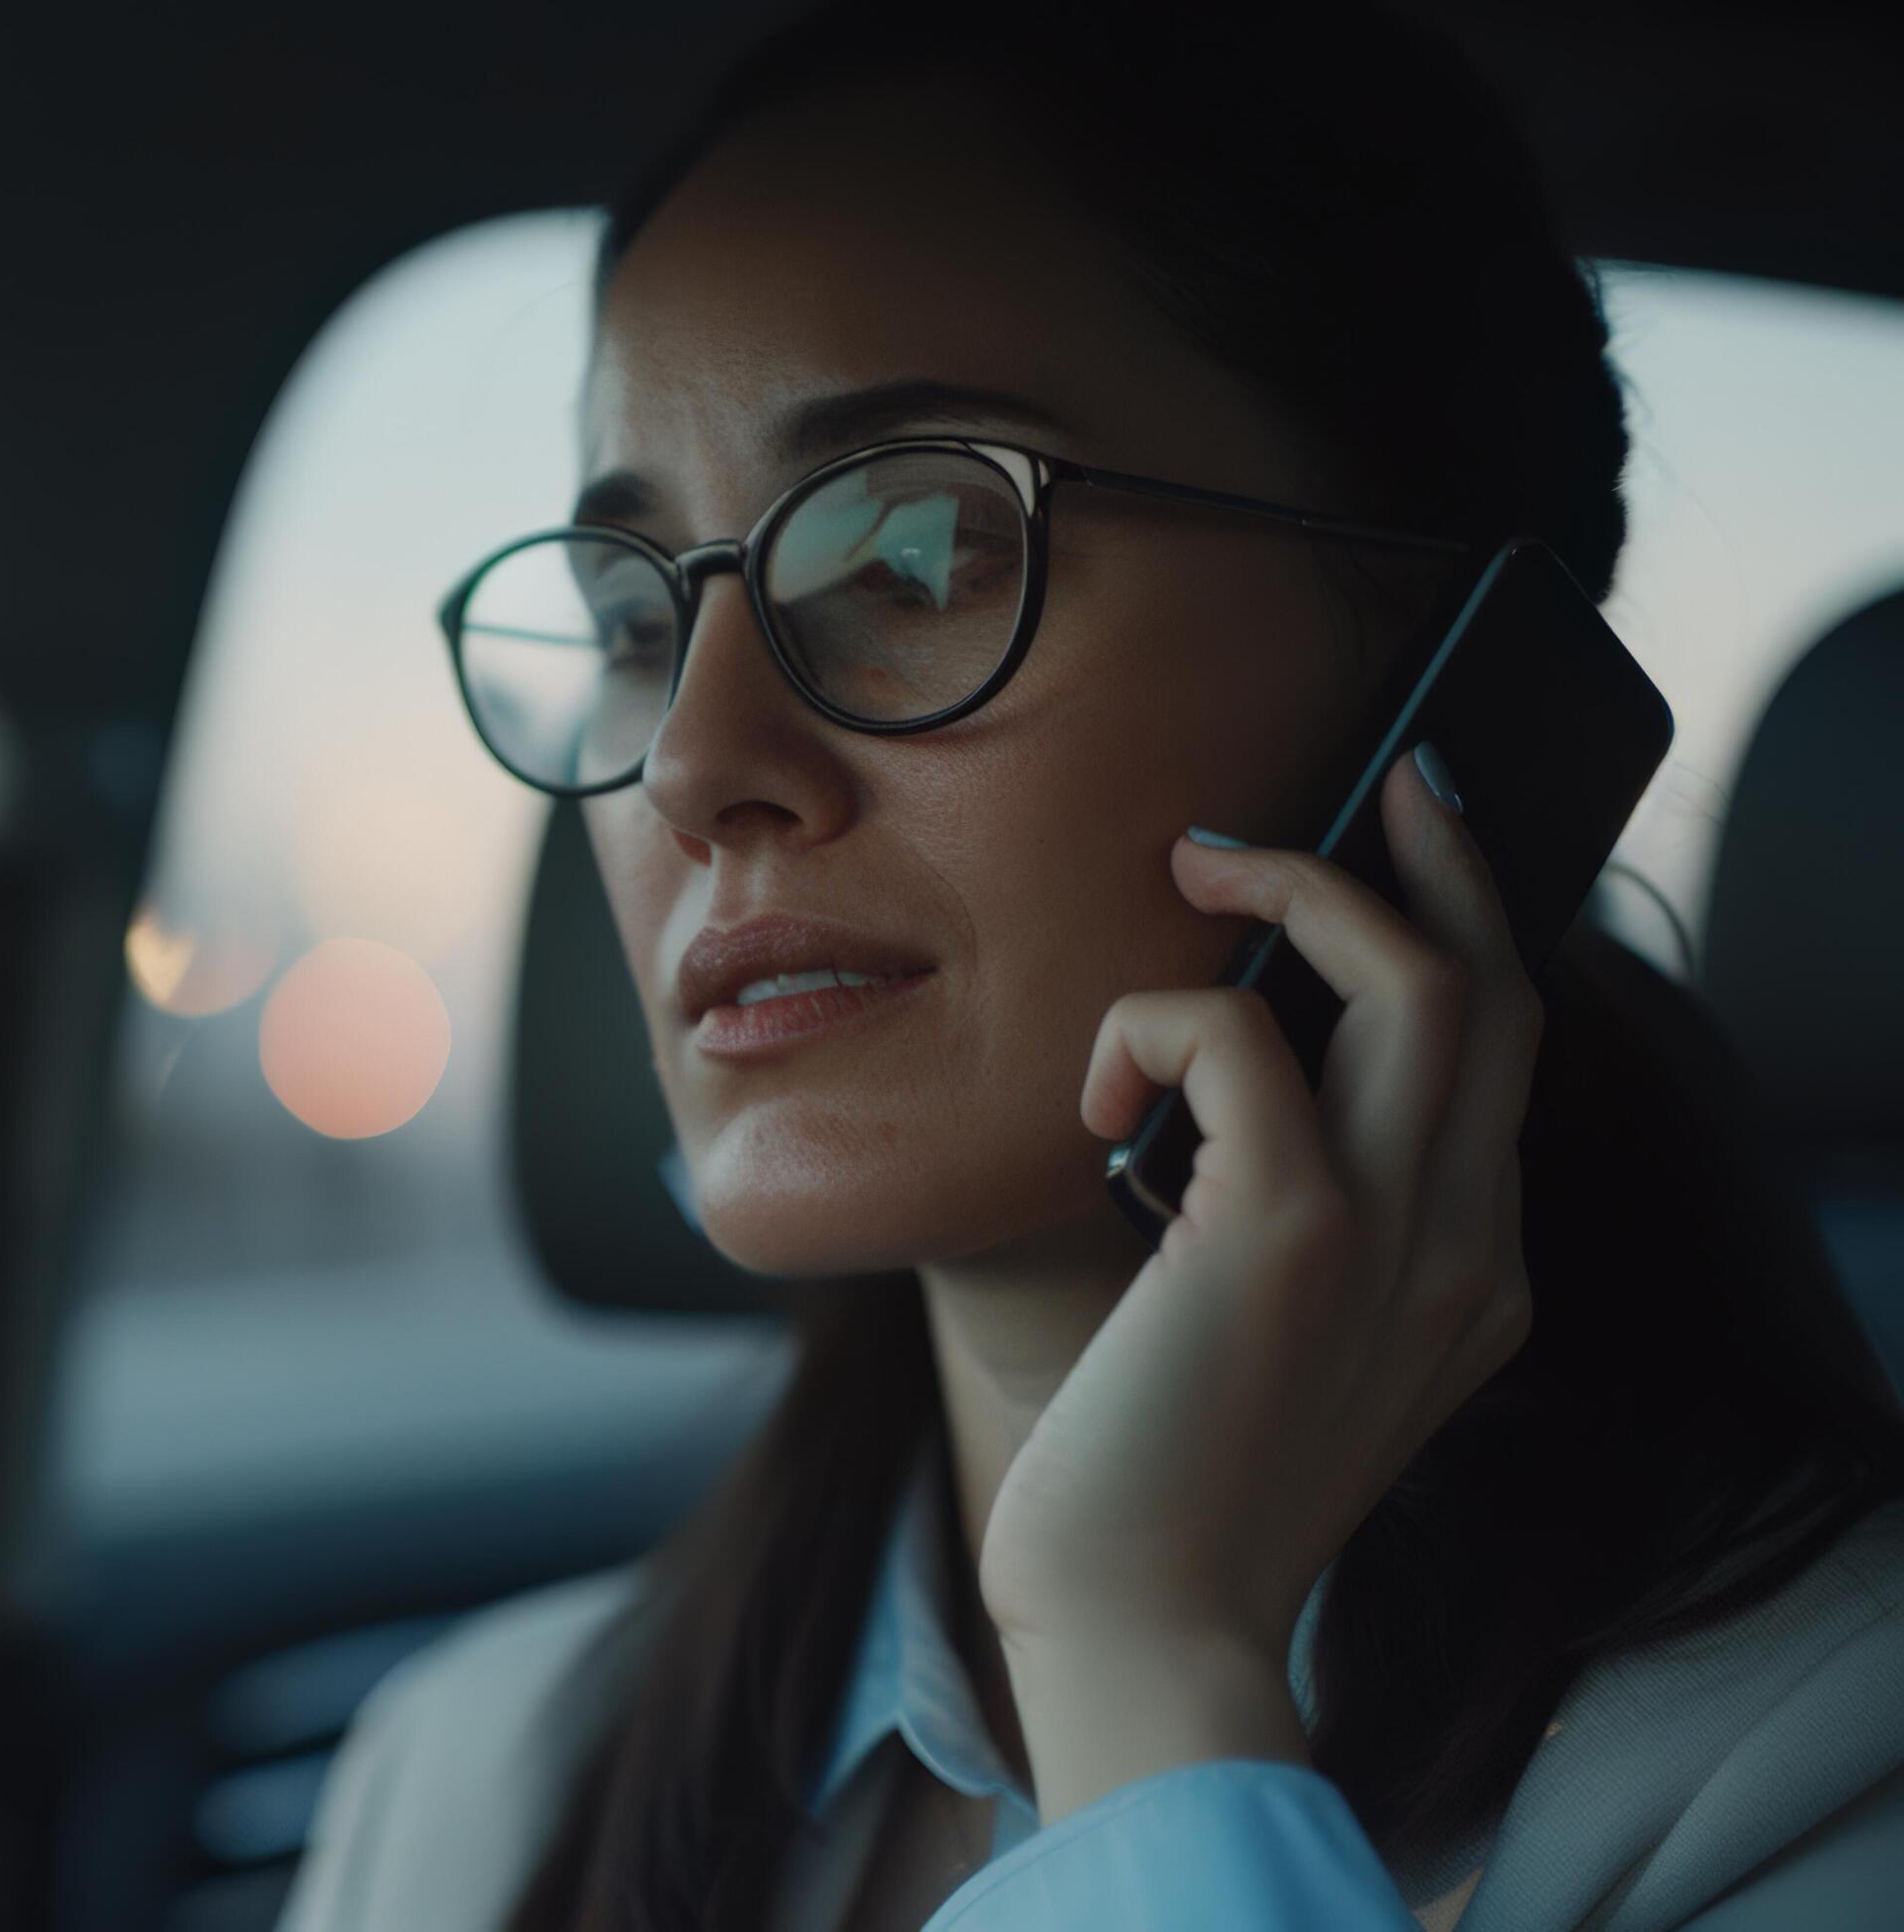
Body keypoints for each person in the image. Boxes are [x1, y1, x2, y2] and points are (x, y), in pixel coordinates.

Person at [276, 4, 1904, 1928]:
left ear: (1442, 677)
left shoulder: (1821, 1770)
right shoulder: (466, 1785)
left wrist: (1153, 1660)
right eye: (634, 617)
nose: (700, 764)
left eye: (909, 550)